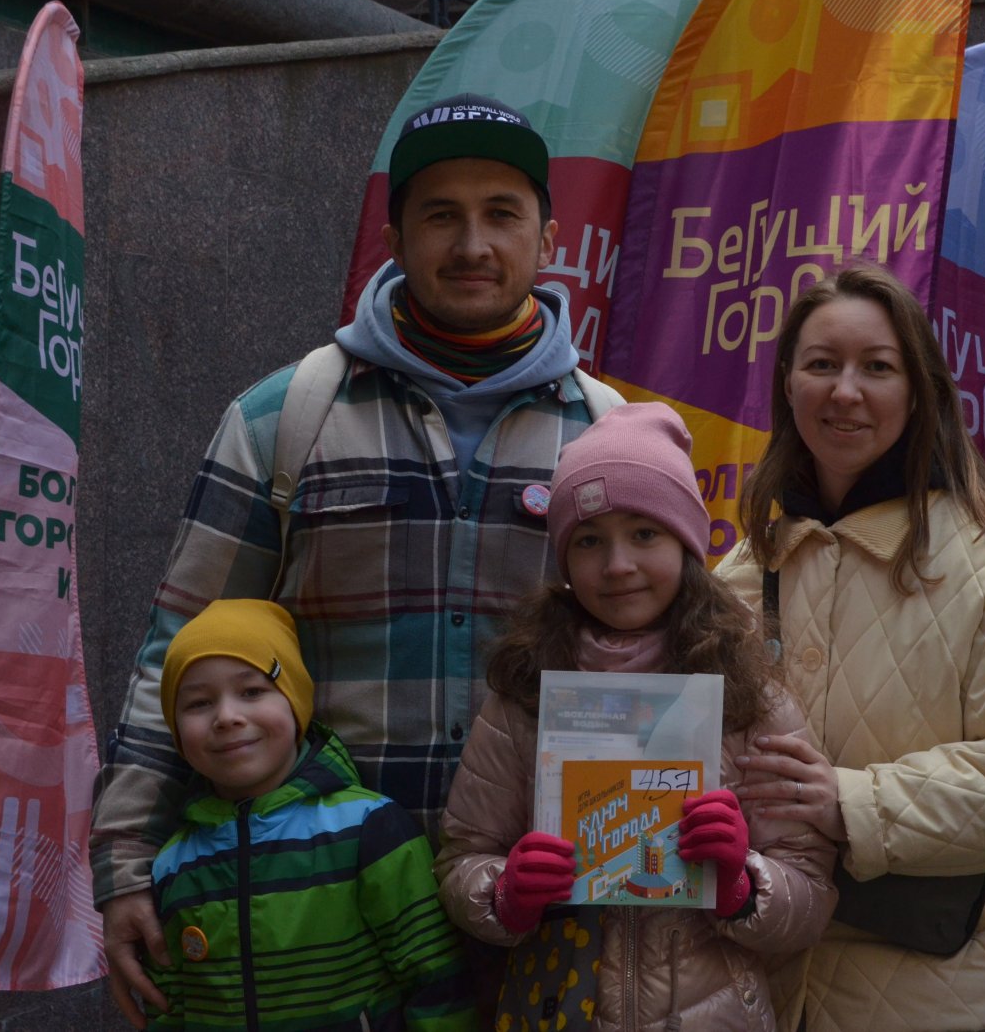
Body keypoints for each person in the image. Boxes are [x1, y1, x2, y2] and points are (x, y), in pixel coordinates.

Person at [90, 93, 622, 1027]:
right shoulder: (282, 418)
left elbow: (680, 660)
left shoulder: (611, 438)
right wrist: (127, 863)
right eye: (440, 215)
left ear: (547, 237)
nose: (472, 244)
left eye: (501, 213)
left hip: (546, 905)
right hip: (327, 933)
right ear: (394, 237)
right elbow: (181, 643)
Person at [717, 264, 985, 1032]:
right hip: (765, 989)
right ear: (787, 384)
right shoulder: (740, 572)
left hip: (946, 994)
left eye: (877, 367)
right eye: (822, 364)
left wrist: (852, 803)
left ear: (919, 391)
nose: (845, 391)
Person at [435, 403, 837, 1031]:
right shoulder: (526, 691)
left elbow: (810, 890)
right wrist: (506, 893)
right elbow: (462, 857)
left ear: (686, 543)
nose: (617, 564)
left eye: (645, 534)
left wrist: (739, 883)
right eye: (589, 540)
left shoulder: (748, 692)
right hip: (562, 1007)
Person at [146, 598, 474, 1031]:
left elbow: (435, 978)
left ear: (295, 702)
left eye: (252, 691)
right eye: (198, 703)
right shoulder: (173, 864)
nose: (226, 717)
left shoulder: (368, 828)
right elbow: (168, 1007)